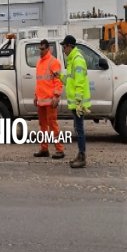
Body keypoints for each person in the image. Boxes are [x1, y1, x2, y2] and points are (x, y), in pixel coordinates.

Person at [60, 35, 91, 168]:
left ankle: (82, 156)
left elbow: (79, 83)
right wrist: (59, 76)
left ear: (70, 46)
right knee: (77, 129)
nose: (63, 49)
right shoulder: (72, 60)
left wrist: (78, 102)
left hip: (78, 103)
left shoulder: (77, 60)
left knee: (79, 130)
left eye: (64, 47)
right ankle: (80, 154)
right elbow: (70, 81)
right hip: (75, 103)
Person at [33, 39, 64, 159]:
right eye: (39, 49)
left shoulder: (53, 62)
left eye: (42, 49)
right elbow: (39, 82)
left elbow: (58, 81)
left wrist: (56, 96)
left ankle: (59, 150)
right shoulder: (39, 63)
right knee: (43, 126)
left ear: (48, 49)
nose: (40, 51)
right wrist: (36, 96)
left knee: (53, 125)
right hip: (41, 100)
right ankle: (44, 149)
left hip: (50, 100)